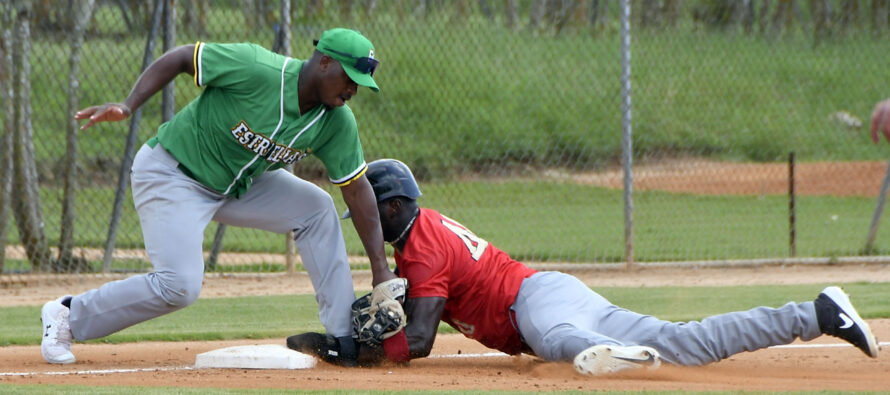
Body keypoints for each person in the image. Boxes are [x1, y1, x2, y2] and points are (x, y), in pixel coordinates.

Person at [287, 158, 879, 375]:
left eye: (367, 211)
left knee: (554, 342)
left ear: (392, 206)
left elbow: (417, 341)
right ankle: (817, 313)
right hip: (551, 291)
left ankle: (599, 352)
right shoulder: (421, 231)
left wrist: (351, 352)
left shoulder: (420, 248)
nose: (363, 220)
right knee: (686, 342)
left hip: (536, 304)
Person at [39, 28, 401, 365]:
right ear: (324, 62)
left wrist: (380, 268)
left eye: (360, 83)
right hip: (173, 174)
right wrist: (130, 105)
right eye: (351, 79)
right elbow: (182, 57)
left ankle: (342, 340)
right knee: (179, 286)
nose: (354, 90)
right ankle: (68, 315)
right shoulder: (256, 68)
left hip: (235, 186)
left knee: (317, 208)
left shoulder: (337, 121)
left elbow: (356, 188)